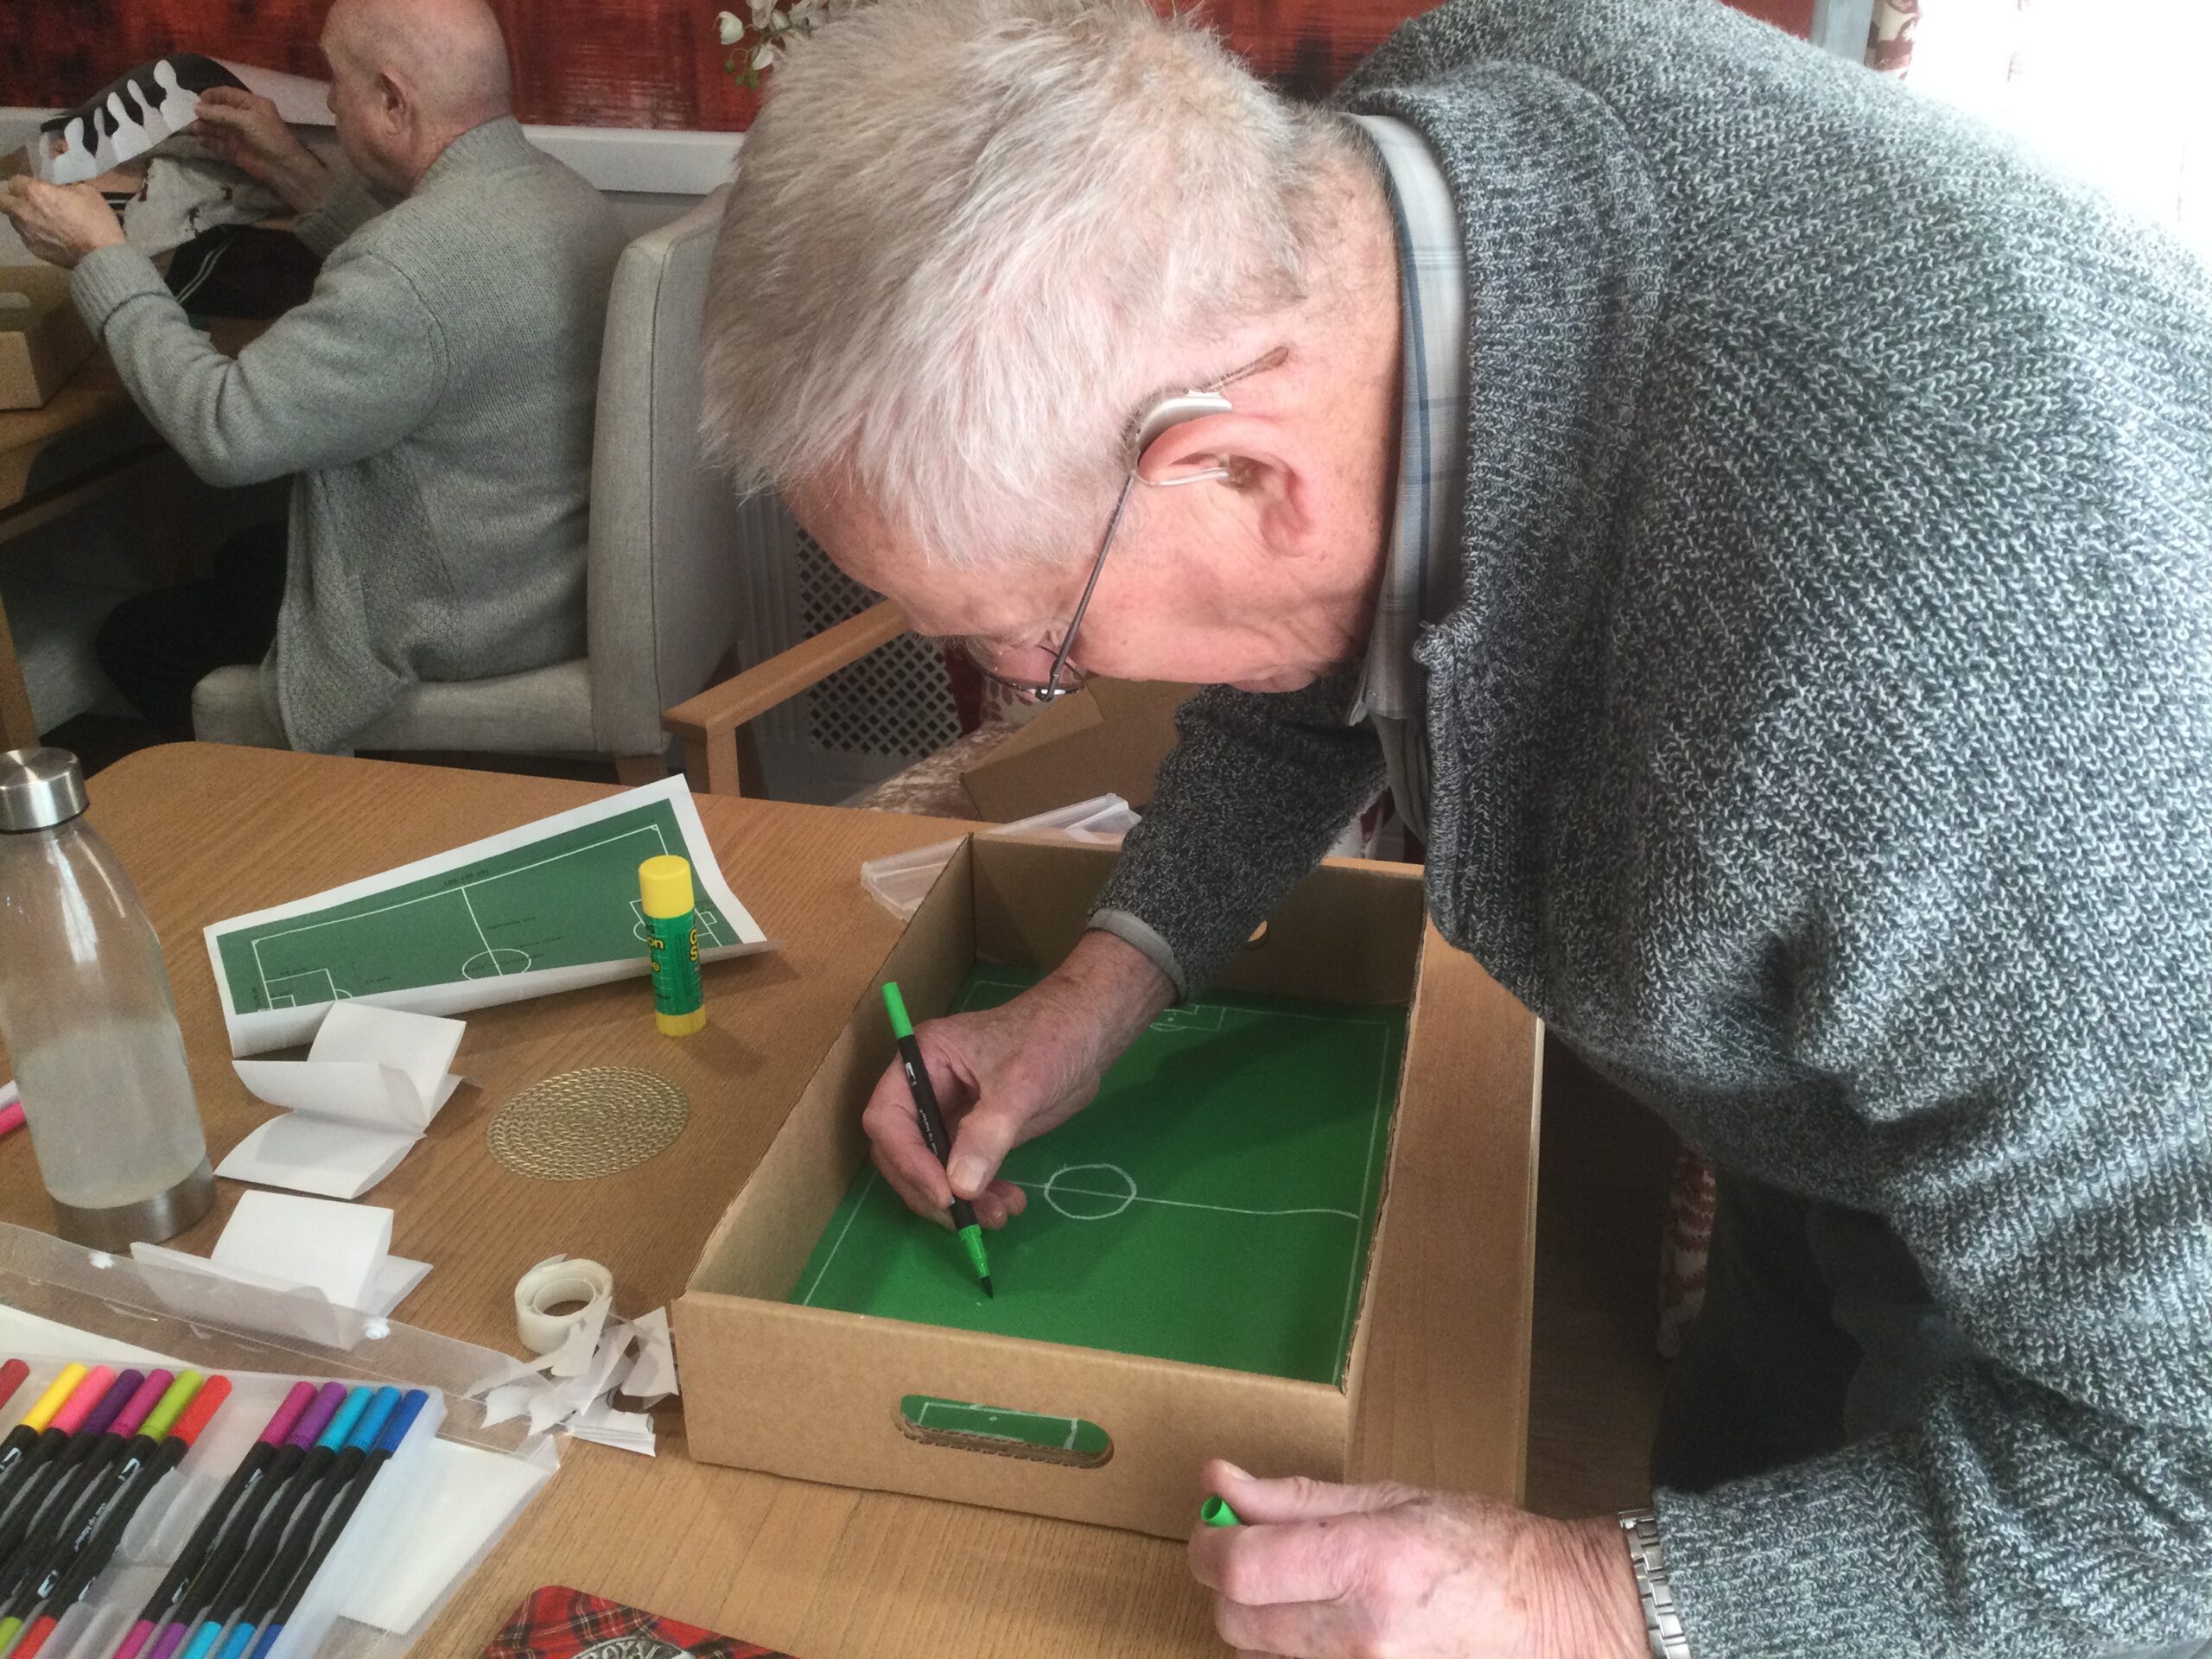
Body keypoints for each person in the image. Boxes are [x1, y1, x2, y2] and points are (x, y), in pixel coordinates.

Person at [697, 0, 2212, 1654]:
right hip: (1852, 1069)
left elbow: (2176, 1499)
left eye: (1028, 639)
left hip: (2100, 1197)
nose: (1017, 676)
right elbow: (1316, 636)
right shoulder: (1377, 208)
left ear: (1232, 471)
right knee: (1741, 1453)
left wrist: (1592, 1597)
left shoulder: (1942, 685)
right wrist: (1100, 988)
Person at [0, 0, 626, 753]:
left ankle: (297, 821)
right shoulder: (559, 194)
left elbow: (226, 431)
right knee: (244, 560)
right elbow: (441, 302)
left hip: (468, 624)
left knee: (137, 636)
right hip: (539, 580)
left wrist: (104, 260)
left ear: (393, 99)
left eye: (336, 81)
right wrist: (294, 171)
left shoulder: (405, 267)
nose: (326, 99)